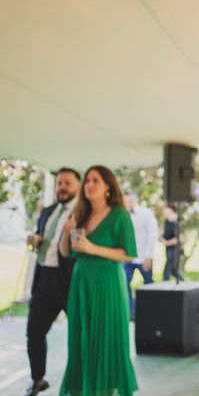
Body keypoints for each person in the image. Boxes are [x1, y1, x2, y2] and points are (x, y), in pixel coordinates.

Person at [59, 165, 138, 396]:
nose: (89, 185)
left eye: (95, 180)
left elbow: (129, 253)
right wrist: (66, 232)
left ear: (107, 187)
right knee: (80, 337)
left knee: (106, 338)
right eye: (87, 181)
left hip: (107, 282)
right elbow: (66, 252)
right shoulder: (80, 213)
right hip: (81, 282)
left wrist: (93, 248)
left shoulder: (119, 214)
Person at [23, 168, 81, 396]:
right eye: (59, 183)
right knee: (34, 332)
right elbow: (42, 236)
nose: (62, 187)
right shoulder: (48, 211)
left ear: (78, 185)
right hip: (44, 279)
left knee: (79, 333)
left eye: (67, 183)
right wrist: (36, 239)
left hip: (71, 281)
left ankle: (81, 379)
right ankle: (38, 379)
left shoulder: (83, 212)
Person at [123, 191, 158, 316]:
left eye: (130, 200)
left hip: (144, 257)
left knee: (149, 285)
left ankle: (151, 312)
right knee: (124, 284)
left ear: (135, 200)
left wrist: (148, 256)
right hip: (127, 258)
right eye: (125, 201)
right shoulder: (123, 215)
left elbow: (152, 235)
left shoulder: (146, 214)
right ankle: (129, 313)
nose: (127, 203)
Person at [160, 204, 183, 281]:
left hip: (175, 250)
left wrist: (167, 242)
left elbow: (179, 238)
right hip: (168, 249)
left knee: (166, 273)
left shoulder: (176, 222)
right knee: (174, 272)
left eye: (165, 210)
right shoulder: (167, 222)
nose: (164, 212)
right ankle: (183, 283)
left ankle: (164, 290)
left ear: (171, 210)